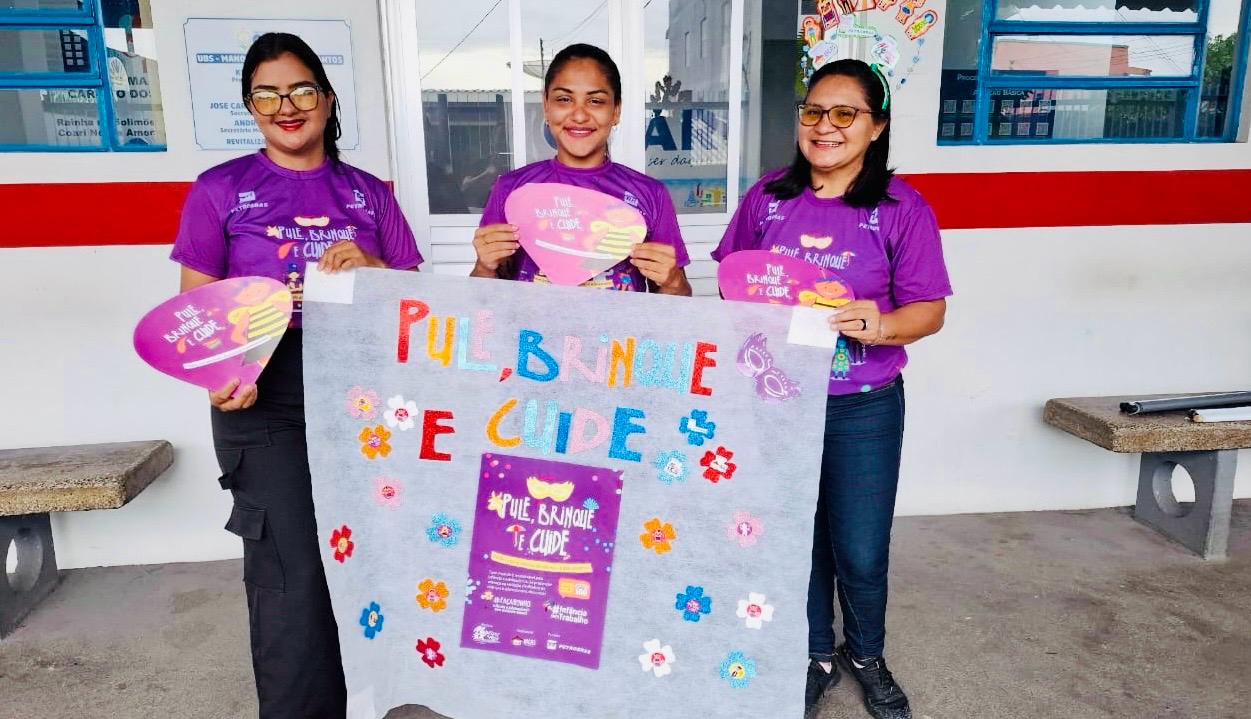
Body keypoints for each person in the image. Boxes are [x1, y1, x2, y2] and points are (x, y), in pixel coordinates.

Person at [169, 32, 423, 718]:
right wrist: (225, 374)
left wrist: (375, 269)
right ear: (250, 107)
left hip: (360, 388)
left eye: (301, 89)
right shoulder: (220, 189)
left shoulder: (369, 194)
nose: (287, 105)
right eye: (267, 94)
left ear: (328, 99)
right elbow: (198, 315)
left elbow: (414, 307)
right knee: (292, 575)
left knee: (366, 562)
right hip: (266, 393)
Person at [711, 59, 951, 719]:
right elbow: (734, 284)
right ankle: (815, 652)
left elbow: (929, 310)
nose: (825, 126)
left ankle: (866, 655)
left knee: (861, 549)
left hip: (862, 406)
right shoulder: (768, 197)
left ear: (876, 126)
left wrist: (882, 324)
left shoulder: (900, 208)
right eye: (814, 111)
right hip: (777, 402)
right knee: (798, 536)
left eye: (845, 113)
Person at [470, 43, 691, 295]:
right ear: (546, 106)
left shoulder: (650, 193)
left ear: (616, 111)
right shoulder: (511, 190)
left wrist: (673, 281)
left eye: (595, 101)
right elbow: (483, 300)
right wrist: (484, 267)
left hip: (621, 324)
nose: (579, 116)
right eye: (564, 99)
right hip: (529, 323)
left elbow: (678, 301)